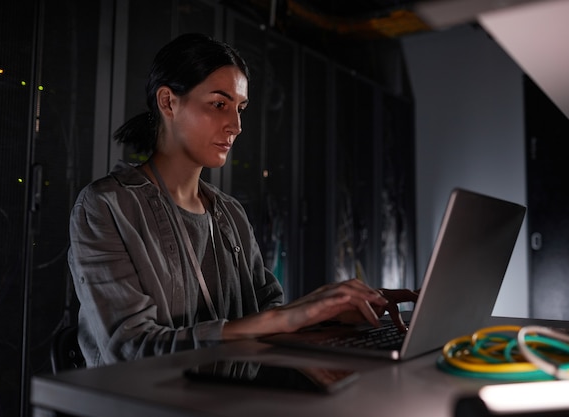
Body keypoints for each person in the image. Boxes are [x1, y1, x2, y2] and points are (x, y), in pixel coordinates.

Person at [68, 33, 418, 368]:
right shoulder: (107, 206)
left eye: (240, 108)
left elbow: (267, 315)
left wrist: (330, 310)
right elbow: (132, 349)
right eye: (219, 104)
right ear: (168, 102)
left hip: (227, 399)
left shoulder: (230, 213)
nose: (235, 125)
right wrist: (288, 317)